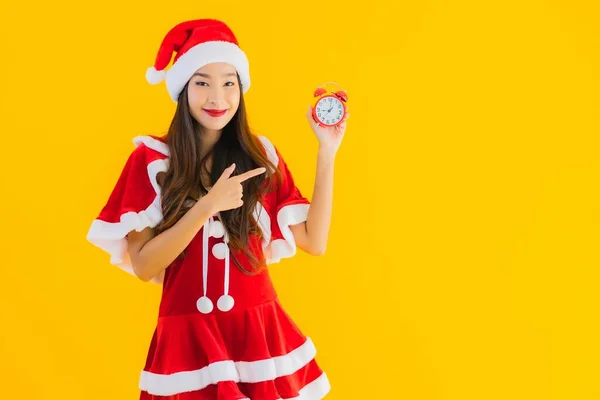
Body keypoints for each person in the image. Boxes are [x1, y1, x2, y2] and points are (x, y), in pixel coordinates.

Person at [86, 18, 348, 399]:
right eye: (202, 83)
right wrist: (206, 205)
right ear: (183, 89)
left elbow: (315, 241)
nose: (217, 98)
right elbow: (144, 266)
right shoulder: (152, 161)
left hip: (256, 334)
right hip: (187, 338)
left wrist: (327, 152)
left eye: (229, 82)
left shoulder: (261, 156)